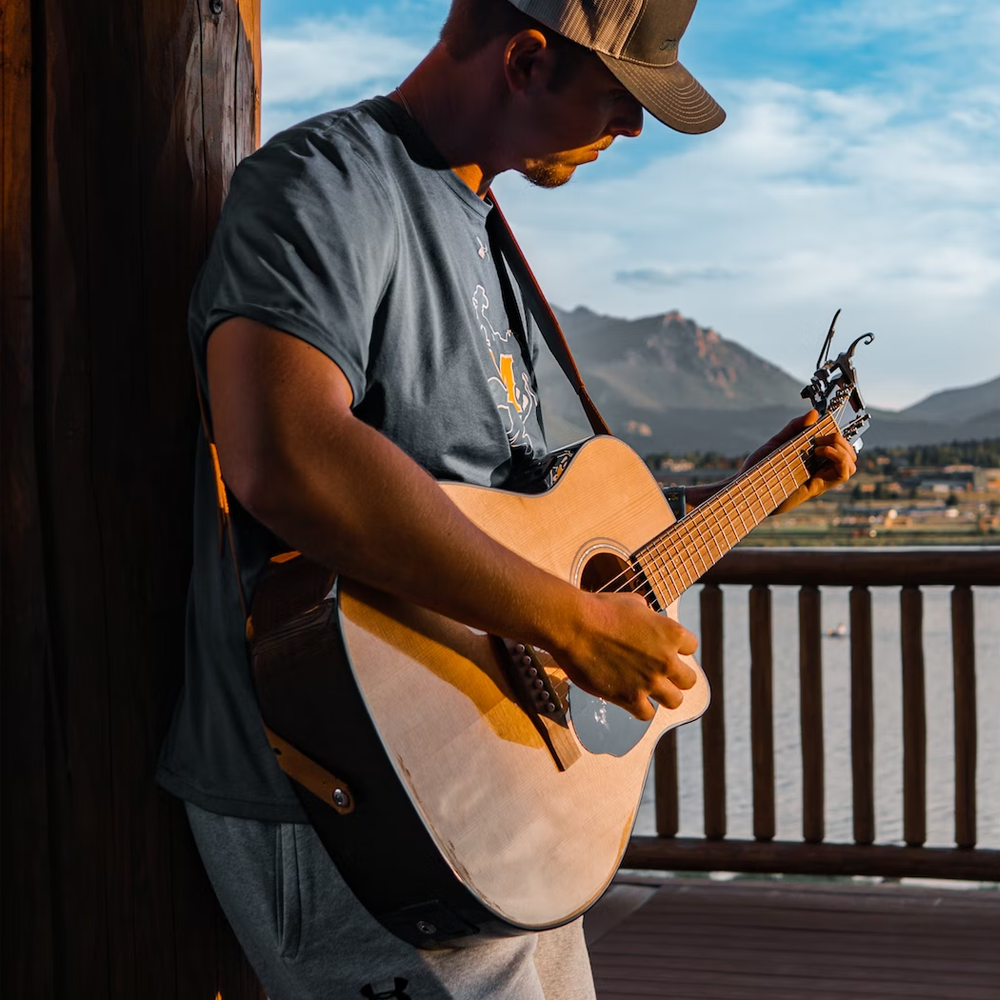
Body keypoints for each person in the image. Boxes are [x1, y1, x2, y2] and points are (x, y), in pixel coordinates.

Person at [156, 1, 858, 997]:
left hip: (499, 803)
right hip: (342, 795)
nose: (631, 129)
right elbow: (287, 454)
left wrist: (758, 484)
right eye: (619, 98)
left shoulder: (481, 224)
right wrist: (568, 622)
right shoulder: (326, 186)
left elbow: (535, 510)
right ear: (526, 60)